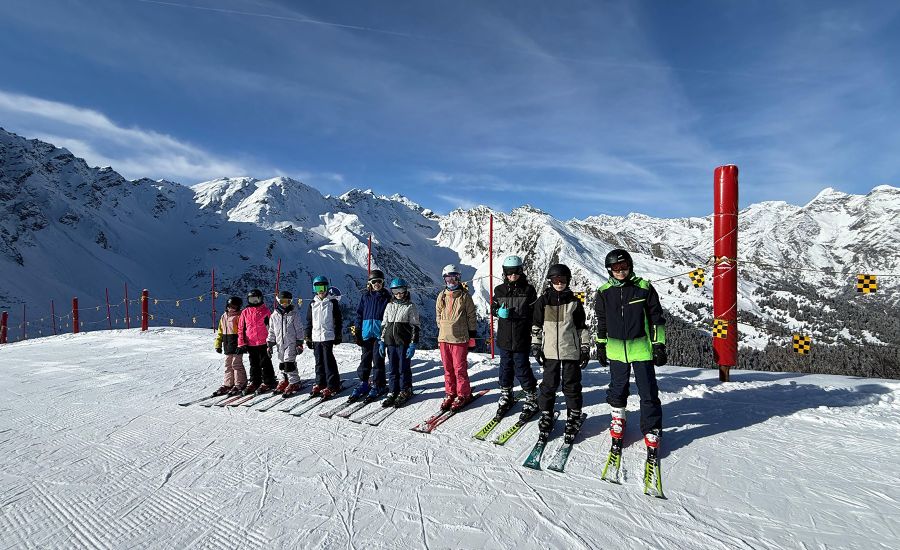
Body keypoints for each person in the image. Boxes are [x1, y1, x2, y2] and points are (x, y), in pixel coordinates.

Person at [594, 249, 667, 451]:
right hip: (616, 350)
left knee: (648, 390)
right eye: (615, 268)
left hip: (641, 349)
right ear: (609, 270)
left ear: (630, 265)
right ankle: (618, 418)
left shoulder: (643, 288)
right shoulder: (604, 292)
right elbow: (602, 321)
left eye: (624, 266)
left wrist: (658, 344)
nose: (620, 271)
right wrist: (600, 344)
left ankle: (652, 428)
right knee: (617, 388)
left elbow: (656, 319)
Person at [531, 263, 590, 440]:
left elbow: (581, 328)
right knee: (548, 385)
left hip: (570, 351)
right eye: (556, 280)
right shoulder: (543, 302)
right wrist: (536, 345)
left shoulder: (574, 302)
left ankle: (573, 415)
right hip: (549, 351)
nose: (559, 283)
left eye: (563, 280)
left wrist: (585, 347)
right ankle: (546, 413)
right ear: (550, 281)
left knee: (571, 385)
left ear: (568, 281)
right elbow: (536, 326)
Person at [490, 255, 539, 416]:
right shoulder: (499, 290)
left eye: (516, 271)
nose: (513, 275)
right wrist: (498, 312)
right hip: (504, 339)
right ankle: (506, 393)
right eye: (509, 272)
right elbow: (492, 308)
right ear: (504, 272)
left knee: (522, 367)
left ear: (521, 270)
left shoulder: (528, 290)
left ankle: (531, 395)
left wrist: (536, 333)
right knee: (505, 367)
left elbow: (535, 314)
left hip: (521, 338)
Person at [436, 264, 478, 411]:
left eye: (455, 278)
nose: (451, 282)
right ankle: (450, 392)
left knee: (459, 368)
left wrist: (472, 336)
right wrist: (443, 329)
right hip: (444, 339)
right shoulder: (441, 296)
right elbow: (438, 315)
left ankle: (463, 394)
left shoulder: (465, 297)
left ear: (459, 278)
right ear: (444, 279)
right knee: (448, 368)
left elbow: (472, 317)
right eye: (448, 278)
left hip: (460, 338)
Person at [378, 277, 420, 407]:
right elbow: (384, 324)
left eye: (401, 290)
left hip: (403, 342)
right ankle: (393, 391)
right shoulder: (390, 305)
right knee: (392, 368)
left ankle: (405, 390)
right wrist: (382, 341)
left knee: (403, 368)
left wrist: (413, 344)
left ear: (406, 290)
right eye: (395, 291)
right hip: (391, 342)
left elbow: (415, 326)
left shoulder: (410, 306)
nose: (398, 294)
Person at [351, 269, 391, 402]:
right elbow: (359, 314)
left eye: (379, 281)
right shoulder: (365, 297)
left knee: (378, 360)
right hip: (366, 333)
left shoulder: (386, 297)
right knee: (365, 359)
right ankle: (364, 382)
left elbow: (390, 316)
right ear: (370, 283)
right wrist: (357, 330)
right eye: (374, 282)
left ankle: (379, 384)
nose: (377, 284)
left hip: (380, 334)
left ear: (383, 282)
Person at [305, 276, 343, 398]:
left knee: (328, 361)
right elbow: (309, 321)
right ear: (314, 288)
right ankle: (320, 383)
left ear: (327, 288)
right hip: (316, 337)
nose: (321, 290)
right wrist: (308, 337)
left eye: (323, 287)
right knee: (318, 361)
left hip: (328, 336)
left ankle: (333, 384)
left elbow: (338, 320)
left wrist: (337, 334)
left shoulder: (332, 302)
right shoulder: (312, 304)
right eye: (318, 287)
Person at [237, 288, 277, 394]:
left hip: (264, 341)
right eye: (252, 299)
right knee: (254, 363)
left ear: (261, 299)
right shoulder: (245, 312)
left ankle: (269, 381)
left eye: (256, 299)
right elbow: (241, 328)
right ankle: (255, 381)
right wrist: (241, 343)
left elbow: (271, 326)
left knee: (265, 362)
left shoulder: (265, 311)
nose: (254, 302)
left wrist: (272, 340)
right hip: (251, 342)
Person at [266, 290, 305, 398]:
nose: (285, 304)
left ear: (290, 301)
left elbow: (299, 329)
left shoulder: (294, 313)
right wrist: (269, 343)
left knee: (289, 362)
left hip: (291, 343)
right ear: (279, 301)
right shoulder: (274, 315)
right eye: (282, 301)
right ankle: (284, 380)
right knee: (282, 363)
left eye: (287, 301)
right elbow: (272, 330)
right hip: (279, 344)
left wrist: (299, 343)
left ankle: (294, 382)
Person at [213, 296, 247, 396]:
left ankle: (240, 384)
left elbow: (244, 331)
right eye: (230, 306)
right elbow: (220, 331)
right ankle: (228, 384)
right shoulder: (224, 316)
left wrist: (243, 344)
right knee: (228, 365)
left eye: (234, 307)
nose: (231, 308)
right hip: (227, 344)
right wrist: (218, 344)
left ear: (238, 307)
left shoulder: (240, 316)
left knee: (236, 364)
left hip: (237, 344)